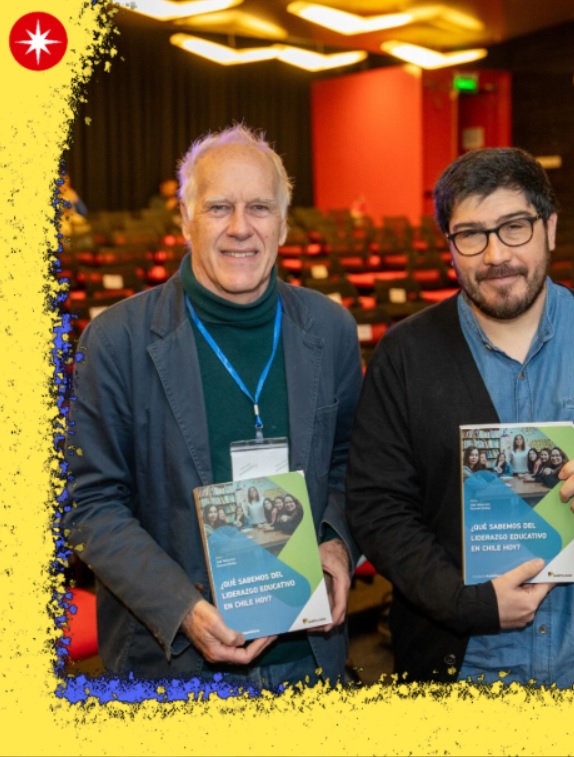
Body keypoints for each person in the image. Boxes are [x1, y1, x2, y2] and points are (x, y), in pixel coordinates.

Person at [346, 147, 574, 688]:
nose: (495, 255)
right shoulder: (404, 355)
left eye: (514, 227)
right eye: (471, 234)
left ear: (549, 228)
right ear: (449, 246)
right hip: (456, 679)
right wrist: (465, 601)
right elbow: (377, 506)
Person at [63, 124, 363, 690]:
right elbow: (91, 503)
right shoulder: (116, 341)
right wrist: (181, 608)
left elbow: (351, 465)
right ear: (186, 219)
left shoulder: (331, 329)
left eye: (259, 208)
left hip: (309, 662)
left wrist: (336, 541)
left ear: (283, 223)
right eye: (219, 207)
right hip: (174, 669)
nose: (240, 227)